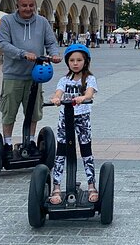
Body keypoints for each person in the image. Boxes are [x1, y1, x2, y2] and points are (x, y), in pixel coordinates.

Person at [0, 0, 61, 158]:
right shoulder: (7, 21)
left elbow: (51, 42)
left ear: (35, 6)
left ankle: (31, 141)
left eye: (31, 5)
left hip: (35, 76)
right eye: (24, 5)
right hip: (13, 75)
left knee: (33, 111)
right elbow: (3, 43)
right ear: (17, 6)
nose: (28, 8)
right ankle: (7, 143)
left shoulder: (42, 22)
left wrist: (54, 54)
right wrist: (22, 53)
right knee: (9, 111)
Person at [48, 44, 98, 205]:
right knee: (61, 151)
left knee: (86, 150)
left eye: (79, 60)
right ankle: (56, 186)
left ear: (85, 61)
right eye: (72, 60)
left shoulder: (90, 79)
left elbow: (90, 92)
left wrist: (83, 97)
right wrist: (56, 99)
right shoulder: (64, 80)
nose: (75, 63)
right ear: (67, 62)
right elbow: (58, 93)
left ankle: (91, 185)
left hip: (82, 118)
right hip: (65, 118)